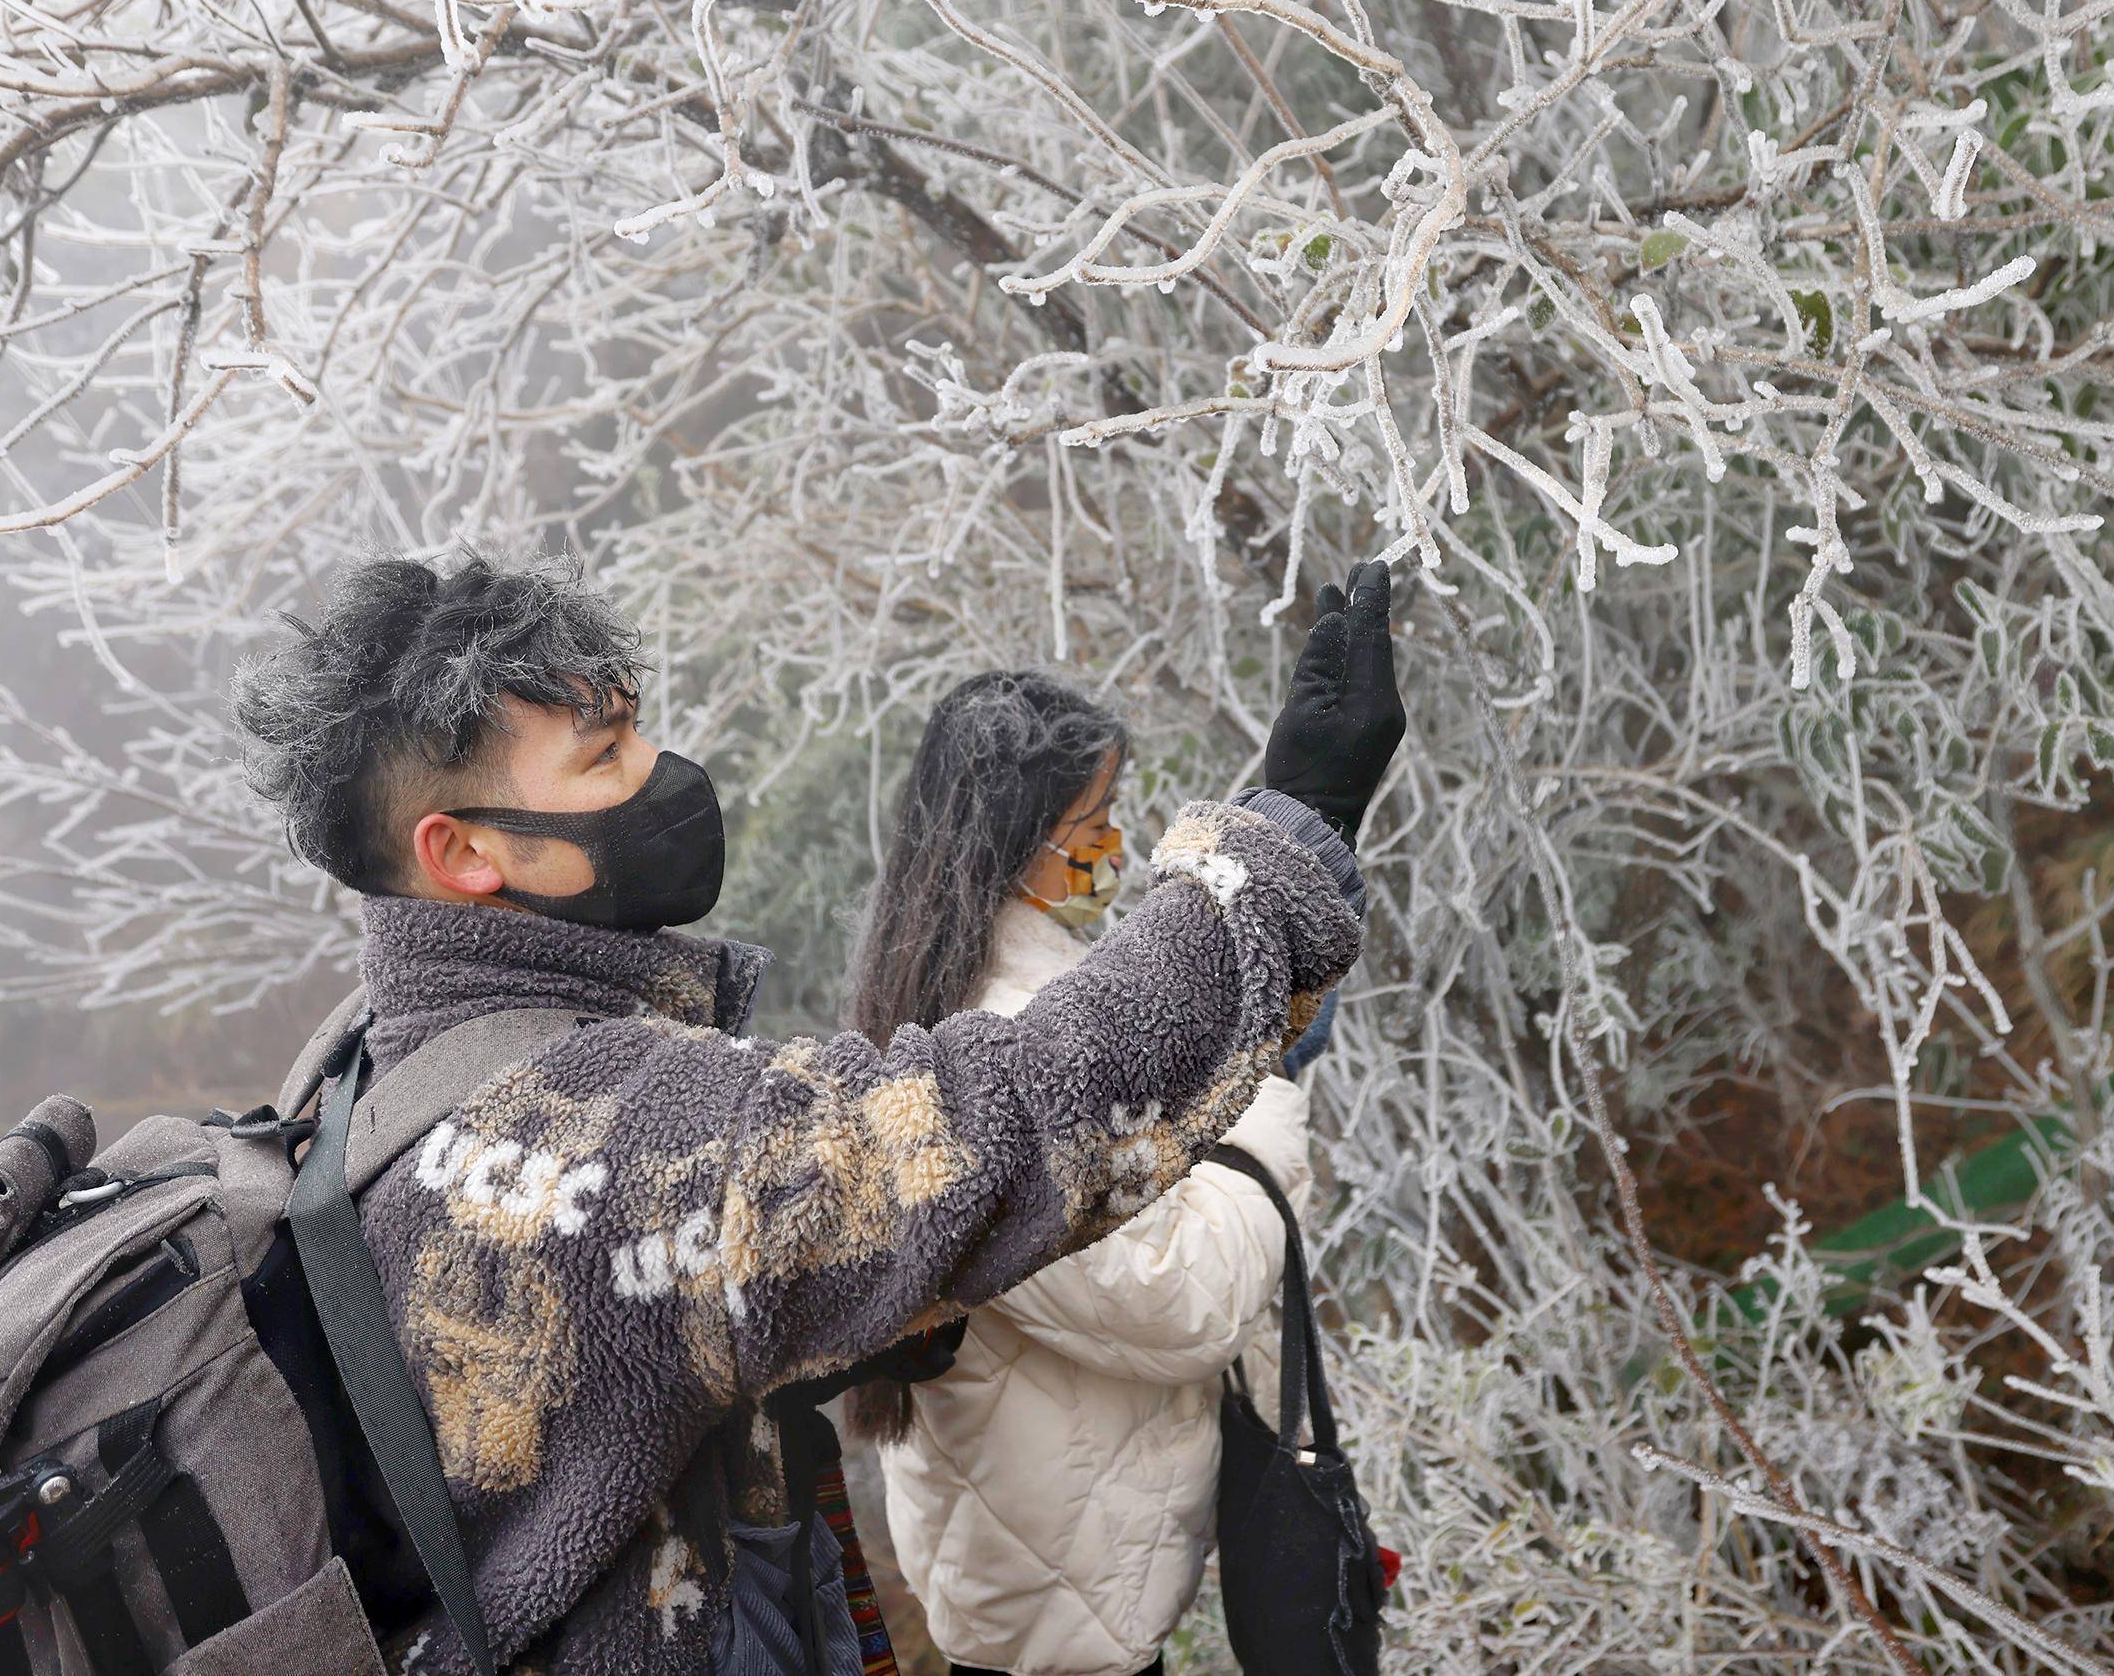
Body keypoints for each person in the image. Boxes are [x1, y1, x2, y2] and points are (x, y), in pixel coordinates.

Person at [226, 550, 1405, 1674]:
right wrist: (1283, 836)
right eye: (605, 756)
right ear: (467, 852)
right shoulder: (583, 1138)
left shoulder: (373, 1065)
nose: (659, 773)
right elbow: (1001, 1121)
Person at [842, 652, 1380, 1676]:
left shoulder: (963, 998)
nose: (1117, 851)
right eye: (1091, 830)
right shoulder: (996, 1059)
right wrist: (1258, 1097)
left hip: (1053, 1577)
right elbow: (1185, 1296)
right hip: (1053, 1613)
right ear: (1009, 851)